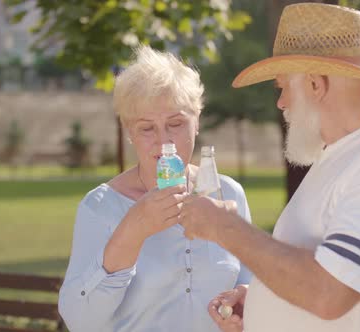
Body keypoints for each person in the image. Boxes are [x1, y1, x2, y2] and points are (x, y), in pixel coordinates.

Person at [179, 3, 360, 332]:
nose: (280, 103)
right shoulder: (340, 156)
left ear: (316, 85)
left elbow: (329, 293)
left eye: (282, 88)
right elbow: (319, 276)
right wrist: (263, 299)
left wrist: (224, 227)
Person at [58, 46, 252, 332]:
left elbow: (251, 286)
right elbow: (79, 321)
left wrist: (244, 304)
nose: (164, 141)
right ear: (129, 132)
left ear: (196, 122)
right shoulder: (100, 206)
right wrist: (133, 229)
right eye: (147, 128)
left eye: (175, 123)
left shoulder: (228, 193)